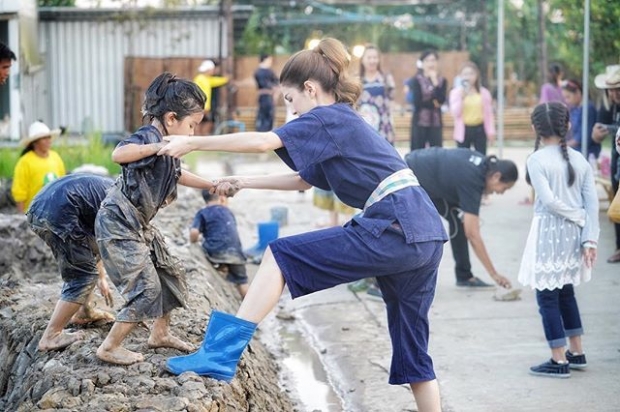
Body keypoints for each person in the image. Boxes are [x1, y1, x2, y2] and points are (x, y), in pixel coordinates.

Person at [160, 38, 448, 412]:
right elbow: (303, 179)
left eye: (290, 99)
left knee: (279, 256)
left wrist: (193, 143)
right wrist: (243, 183)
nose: (290, 109)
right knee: (413, 355)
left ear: (310, 89)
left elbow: (264, 141)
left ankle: (218, 354)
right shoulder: (341, 122)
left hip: (394, 225)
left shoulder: (326, 117)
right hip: (423, 232)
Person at [94, 72, 216, 366]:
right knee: (146, 288)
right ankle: (109, 347)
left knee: (168, 274)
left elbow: (178, 174)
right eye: (192, 126)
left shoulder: (170, 146)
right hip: (118, 223)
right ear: (171, 118)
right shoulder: (151, 136)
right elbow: (119, 154)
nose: (193, 134)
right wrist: (158, 146)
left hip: (138, 224)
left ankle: (159, 334)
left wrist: (214, 183)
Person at [518, 102, 599, 378]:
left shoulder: (537, 159)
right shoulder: (579, 159)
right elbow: (592, 205)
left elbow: (549, 201)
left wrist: (577, 217)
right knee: (565, 292)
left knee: (546, 295)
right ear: (568, 126)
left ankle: (558, 359)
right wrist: (590, 240)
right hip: (573, 236)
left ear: (534, 129)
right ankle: (577, 352)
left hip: (549, 232)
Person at [27, 173, 116, 351]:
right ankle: (50, 337)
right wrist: (100, 275)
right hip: (57, 214)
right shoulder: (125, 204)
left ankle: (85, 312)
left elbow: (97, 239)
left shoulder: (116, 190)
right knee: (83, 276)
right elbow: (108, 240)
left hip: (40, 207)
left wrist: (102, 276)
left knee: (86, 263)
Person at [405, 148, 517, 289]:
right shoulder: (474, 180)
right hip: (411, 175)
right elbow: (472, 234)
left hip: (424, 170)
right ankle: (382, 282)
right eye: (504, 188)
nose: (501, 192)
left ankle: (464, 276)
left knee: (458, 220)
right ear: (496, 176)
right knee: (413, 229)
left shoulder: (482, 164)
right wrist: (494, 274)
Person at [190, 190, 249, 298]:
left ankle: (222, 267)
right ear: (221, 198)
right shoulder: (228, 211)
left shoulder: (202, 213)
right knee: (242, 281)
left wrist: (193, 242)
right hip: (236, 253)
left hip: (215, 252)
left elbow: (194, 232)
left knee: (204, 245)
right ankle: (251, 308)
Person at [592, 65, 620, 263]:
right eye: (611, 89)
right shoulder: (609, 105)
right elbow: (596, 134)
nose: (614, 93)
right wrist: (597, 134)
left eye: (618, 89)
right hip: (616, 159)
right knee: (617, 205)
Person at [11, 121, 66, 213]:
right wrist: (21, 216)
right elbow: (19, 192)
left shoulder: (55, 157)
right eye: (44, 138)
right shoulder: (25, 162)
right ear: (35, 143)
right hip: (34, 214)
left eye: (49, 137)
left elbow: (63, 184)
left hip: (55, 212)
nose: (48, 141)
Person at [449, 61, 495, 155]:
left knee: (481, 157)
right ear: (460, 76)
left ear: (476, 75)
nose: (468, 77)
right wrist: (462, 98)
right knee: (463, 157)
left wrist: (491, 132)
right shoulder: (456, 93)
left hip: (479, 128)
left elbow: (488, 114)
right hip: (464, 129)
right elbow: (455, 113)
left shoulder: (484, 93)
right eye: (465, 74)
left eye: (471, 74)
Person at [407, 50, 447, 150]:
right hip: (420, 121)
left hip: (436, 121)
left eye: (433, 60)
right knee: (417, 152)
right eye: (427, 60)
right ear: (422, 63)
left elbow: (441, 100)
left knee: (436, 152)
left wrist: (435, 83)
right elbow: (417, 102)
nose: (431, 63)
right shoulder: (416, 80)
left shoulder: (442, 81)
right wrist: (434, 103)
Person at [357, 44, 396, 144]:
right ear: (362, 60)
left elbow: (392, 102)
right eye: (369, 57)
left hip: (383, 127)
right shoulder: (356, 80)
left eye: (375, 57)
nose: (372, 61)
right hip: (363, 127)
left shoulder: (386, 78)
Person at [560, 79, 599, 159]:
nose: (567, 101)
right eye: (565, 98)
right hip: (575, 149)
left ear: (578, 92)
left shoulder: (588, 109)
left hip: (586, 151)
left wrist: (564, 145)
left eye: (568, 97)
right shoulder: (574, 109)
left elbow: (582, 137)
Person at [193, 59, 228, 135]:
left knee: (206, 121)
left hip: (205, 107)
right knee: (199, 122)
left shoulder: (207, 79)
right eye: (212, 69)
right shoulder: (200, 79)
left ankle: (201, 137)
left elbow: (217, 81)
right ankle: (198, 137)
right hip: (201, 106)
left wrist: (226, 79)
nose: (213, 71)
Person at [254, 53, 279, 132]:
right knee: (266, 116)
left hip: (267, 96)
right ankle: (265, 132)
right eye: (269, 59)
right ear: (265, 59)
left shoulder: (260, 72)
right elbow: (274, 83)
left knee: (265, 116)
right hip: (265, 97)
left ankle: (265, 131)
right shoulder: (262, 72)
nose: (270, 61)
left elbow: (276, 83)